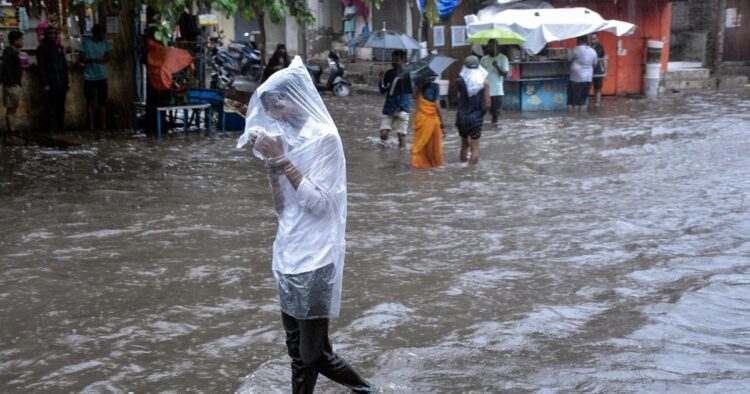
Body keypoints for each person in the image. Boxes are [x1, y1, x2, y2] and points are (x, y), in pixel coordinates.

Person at [236, 56, 373, 394]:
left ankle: (367, 391)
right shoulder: (285, 138)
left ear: (297, 97)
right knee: (297, 353)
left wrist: (282, 160)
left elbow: (320, 203)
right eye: (270, 109)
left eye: (279, 104)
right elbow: (282, 209)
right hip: (287, 253)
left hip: (316, 257)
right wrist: (271, 162)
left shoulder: (324, 138)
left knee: (315, 353)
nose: (276, 114)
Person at [455, 55, 489, 165]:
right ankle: (470, 173)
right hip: (475, 117)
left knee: (464, 144)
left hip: (461, 117)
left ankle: (462, 169)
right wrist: (481, 114)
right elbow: (488, 104)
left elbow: (459, 98)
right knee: (475, 147)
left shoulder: (459, 81)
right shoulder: (484, 83)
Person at [81, 24, 112, 130]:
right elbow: (81, 58)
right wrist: (93, 60)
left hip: (102, 76)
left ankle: (103, 125)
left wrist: (103, 59)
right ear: (97, 34)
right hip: (89, 77)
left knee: (103, 102)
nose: (104, 36)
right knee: (90, 102)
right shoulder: (85, 43)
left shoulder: (105, 43)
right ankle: (92, 126)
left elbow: (109, 56)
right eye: (102, 33)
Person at [37, 27, 68, 131]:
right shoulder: (42, 48)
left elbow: (64, 65)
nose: (53, 36)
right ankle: (52, 128)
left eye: (54, 33)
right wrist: (45, 83)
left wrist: (66, 81)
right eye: (50, 34)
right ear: (46, 35)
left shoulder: (57, 47)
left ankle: (60, 126)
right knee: (51, 106)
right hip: (51, 81)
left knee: (61, 106)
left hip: (61, 81)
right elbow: (41, 66)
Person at [409, 75, 444, 169]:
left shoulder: (417, 88)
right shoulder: (435, 86)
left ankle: (415, 163)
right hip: (432, 120)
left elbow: (417, 103)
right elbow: (437, 106)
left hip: (420, 118)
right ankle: (433, 164)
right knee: (433, 145)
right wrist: (442, 123)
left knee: (420, 142)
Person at [378, 49, 411, 148]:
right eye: (392, 60)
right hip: (389, 107)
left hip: (402, 108)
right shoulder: (389, 73)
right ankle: (384, 153)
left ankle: (401, 156)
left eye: (396, 60)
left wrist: (398, 110)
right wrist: (381, 79)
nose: (393, 62)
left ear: (403, 60)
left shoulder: (407, 74)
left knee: (401, 136)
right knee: (383, 134)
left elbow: (405, 94)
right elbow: (383, 90)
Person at [479, 39, 509, 124]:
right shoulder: (484, 59)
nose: (489, 48)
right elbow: (479, 73)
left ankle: (495, 130)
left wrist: (497, 66)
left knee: (495, 114)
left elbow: (505, 74)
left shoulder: (503, 58)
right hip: (484, 90)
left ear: (497, 47)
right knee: (482, 111)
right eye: (488, 46)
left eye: (491, 47)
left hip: (497, 91)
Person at [566, 35, 598, 113]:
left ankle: (570, 118)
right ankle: (581, 120)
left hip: (575, 79)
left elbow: (568, 58)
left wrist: (568, 51)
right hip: (587, 79)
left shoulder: (576, 49)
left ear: (578, 41)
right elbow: (594, 65)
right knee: (582, 102)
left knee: (571, 102)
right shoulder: (593, 51)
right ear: (587, 41)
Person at [2, 30, 23, 143]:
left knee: (12, 108)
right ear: (15, 41)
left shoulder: (12, 51)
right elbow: (6, 68)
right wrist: (12, 82)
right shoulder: (9, 52)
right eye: (20, 39)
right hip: (11, 84)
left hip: (13, 83)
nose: (22, 42)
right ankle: (11, 131)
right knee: (11, 109)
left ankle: (12, 130)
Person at [589, 33, 606, 107]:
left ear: (597, 39)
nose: (593, 40)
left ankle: (597, 103)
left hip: (598, 69)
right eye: (592, 39)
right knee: (588, 86)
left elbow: (603, 59)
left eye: (595, 39)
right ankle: (587, 102)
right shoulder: (588, 47)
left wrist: (605, 71)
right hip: (589, 70)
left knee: (598, 87)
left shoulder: (600, 47)